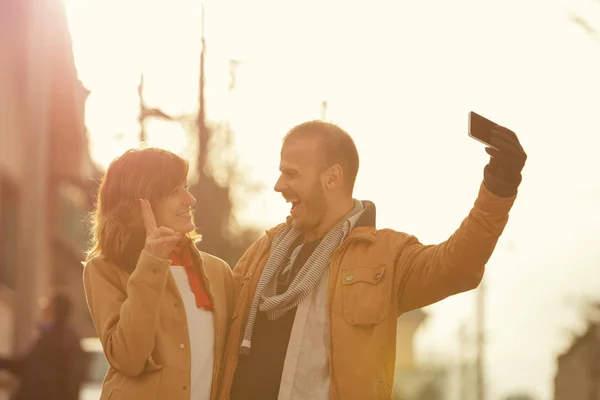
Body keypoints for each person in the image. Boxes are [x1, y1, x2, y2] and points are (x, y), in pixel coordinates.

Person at [219, 120, 527, 399]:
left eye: (291, 173)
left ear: (332, 177)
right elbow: (211, 314)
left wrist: (498, 189)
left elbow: (456, 266)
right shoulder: (264, 250)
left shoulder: (386, 257)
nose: (278, 185)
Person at [83, 148, 234, 400]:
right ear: (139, 202)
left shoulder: (217, 271)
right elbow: (128, 358)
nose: (190, 200)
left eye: (186, 187)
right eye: (174, 192)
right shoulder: (104, 269)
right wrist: (152, 263)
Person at [0, 292, 85, 400]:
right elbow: (26, 366)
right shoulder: (50, 336)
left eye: (46, 306)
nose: (43, 311)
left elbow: (71, 379)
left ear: (55, 310)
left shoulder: (62, 339)